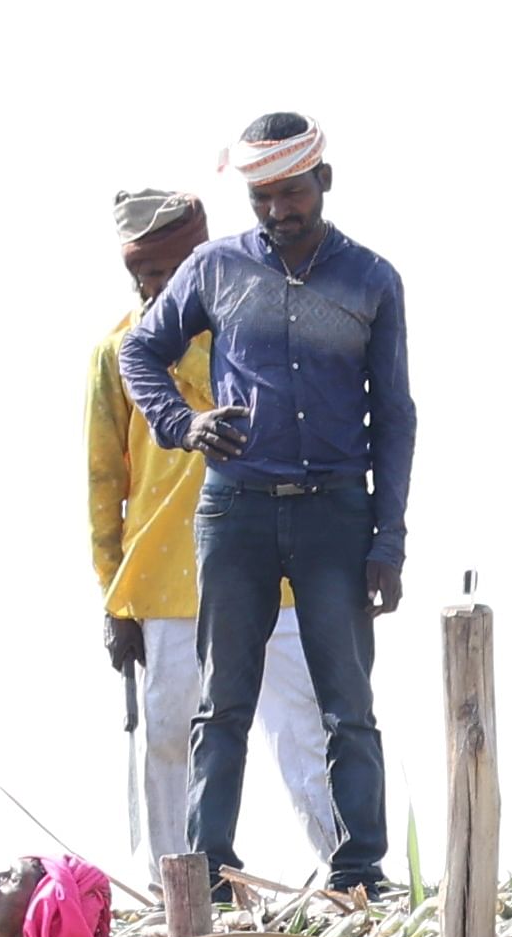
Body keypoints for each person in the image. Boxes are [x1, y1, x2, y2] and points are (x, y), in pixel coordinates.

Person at [115, 112, 410, 898]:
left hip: (335, 513)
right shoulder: (215, 270)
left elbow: (397, 414)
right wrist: (185, 423)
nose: (279, 212)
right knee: (225, 701)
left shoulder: (371, 280)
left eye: (291, 194)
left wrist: (389, 539)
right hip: (237, 510)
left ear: (324, 181)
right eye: (262, 199)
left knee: (347, 703)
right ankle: (209, 870)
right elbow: (138, 352)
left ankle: (359, 871)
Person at [90, 191, 349, 888]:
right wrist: (116, 604)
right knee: (172, 741)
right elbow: (101, 484)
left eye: (178, 270)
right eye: (151, 275)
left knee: (306, 732)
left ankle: (354, 882)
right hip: (167, 587)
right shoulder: (118, 354)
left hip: (277, 571)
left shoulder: (257, 329)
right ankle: (179, 897)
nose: (165, 286)